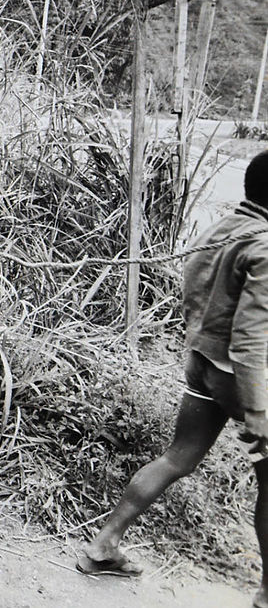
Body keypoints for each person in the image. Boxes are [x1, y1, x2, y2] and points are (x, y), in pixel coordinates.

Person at [78, 149, 268, 608]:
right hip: (240, 378)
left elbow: (194, 295)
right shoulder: (265, 246)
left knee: (177, 457)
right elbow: (251, 340)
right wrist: (258, 410)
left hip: (201, 364)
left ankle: (104, 545)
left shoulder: (221, 229)